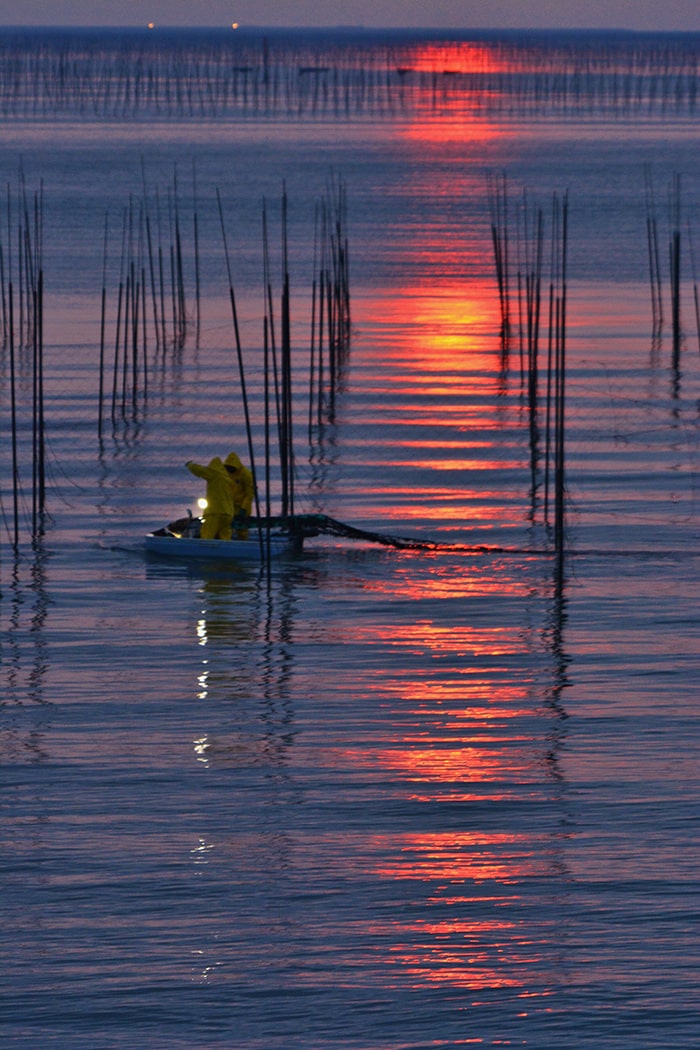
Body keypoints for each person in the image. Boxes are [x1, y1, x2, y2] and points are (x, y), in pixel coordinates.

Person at [186, 452, 254, 540]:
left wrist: (244, 509)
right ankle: (229, 549)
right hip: (228, 510)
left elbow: (249, 494)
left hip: (220, 510)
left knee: (209, 533)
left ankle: (243, 545)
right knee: (225, 533)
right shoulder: (227, 477)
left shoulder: (216, 474)